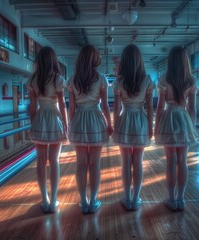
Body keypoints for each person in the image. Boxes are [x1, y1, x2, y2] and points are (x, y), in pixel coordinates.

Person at [67, 45, 113, 214]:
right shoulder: (101, 78)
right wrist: (109, 124)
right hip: (96, 120)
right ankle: (93, 201)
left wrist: (70, 125)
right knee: (94, 163)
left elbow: (71, 107)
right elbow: (106, 107)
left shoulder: (72, 79)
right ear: (95, 59)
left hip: (79, 120)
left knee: (81, 163)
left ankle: (83, 201)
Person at [154, 46, 198, 211]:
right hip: (184, 119)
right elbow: (193, 109)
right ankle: (181, 199)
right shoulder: (192, 80)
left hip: (169, 118)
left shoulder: (164, 79)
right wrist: (192, 128)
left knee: (171, 162)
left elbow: (159, 107)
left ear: (170, 61)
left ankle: (171, 199)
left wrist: (157, 126)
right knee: (183, 162)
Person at [112, 44, 154, 211]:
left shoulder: (118, 82)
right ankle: (136, 198)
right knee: (138, 161)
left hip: (125, 120)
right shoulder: (147, 80)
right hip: (141, 121)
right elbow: (150, 107)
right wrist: (150, 128)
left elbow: (115, 108)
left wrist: (115, 126)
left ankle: (127, 197)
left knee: (126, 161)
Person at [27, 46, 68, 213]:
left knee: (41, 162)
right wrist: (66, 123)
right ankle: (53, 200)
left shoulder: (33, 80)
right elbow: (63, 104)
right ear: (53, 60)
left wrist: (33, 123)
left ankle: (44, 199)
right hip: (55, 118)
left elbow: (32, 106)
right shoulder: (58, 79)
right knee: (54, 161)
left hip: (40, 119)